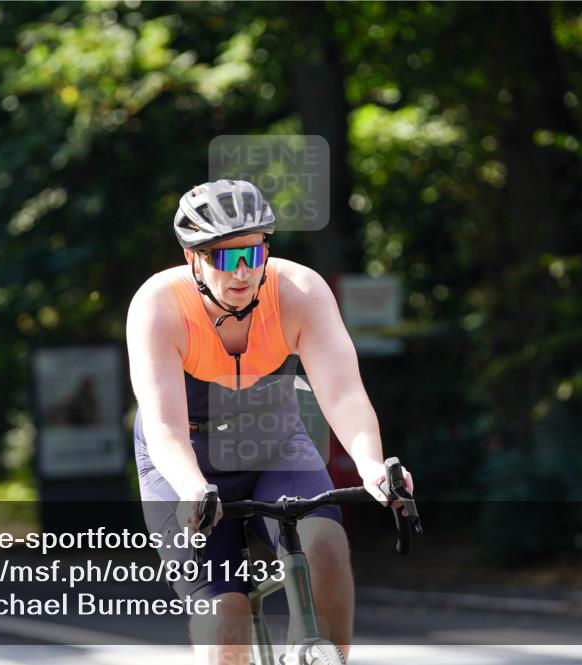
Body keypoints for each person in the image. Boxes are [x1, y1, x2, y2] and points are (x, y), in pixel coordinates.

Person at [127, 179, 414, 664]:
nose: (243, 272)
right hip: (186, 458)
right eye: (226, 257)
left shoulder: (299, 291)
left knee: (325, 547)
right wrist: (193, 487)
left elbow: (343, 392)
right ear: (192, 257)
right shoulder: (159, 305)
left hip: (276, 446)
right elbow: (165, 428)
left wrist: (371, 465)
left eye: (254, 254)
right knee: (226, 616)